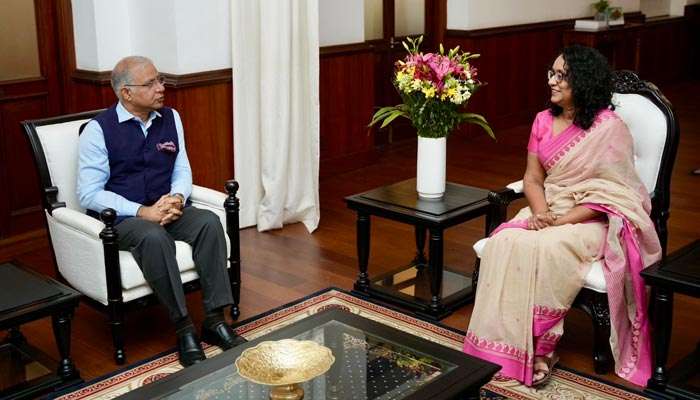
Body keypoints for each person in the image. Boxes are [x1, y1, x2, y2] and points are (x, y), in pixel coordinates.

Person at [463, 46, 661, 387]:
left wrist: (562, 219)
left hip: (589, 218)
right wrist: (541, 213)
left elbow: (616, 193)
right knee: (505, 241)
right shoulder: (542, 120)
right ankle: (502, 347)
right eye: (551, 73)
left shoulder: (608, 128)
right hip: (549, 207)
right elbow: (532, 177)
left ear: (582, 82)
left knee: (550, 248)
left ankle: (541, 347)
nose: (551, 81)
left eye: (561, 76)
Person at [78, 56, 245, 367]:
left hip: (167, 206)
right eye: (151, 83)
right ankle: (183, 327)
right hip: (126, 219)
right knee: (154, 238)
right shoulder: (98, 131)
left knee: (209, 222)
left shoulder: (170, 117)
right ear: (126, 93)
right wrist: (143, 211)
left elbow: (181, 168)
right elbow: (89, 193)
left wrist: (178, 198)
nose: (160, 88)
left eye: (160, 80)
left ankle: (213, 319)